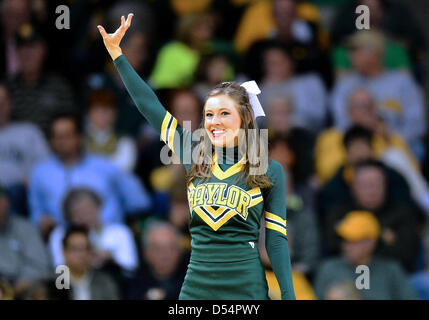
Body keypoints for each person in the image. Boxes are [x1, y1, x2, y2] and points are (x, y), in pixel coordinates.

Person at [97, 13, 295, 300]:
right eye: (209, 114)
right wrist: (118, 55)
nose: (214, 121)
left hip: (246, 289)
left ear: (246, 118)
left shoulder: (269, 169)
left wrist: (289, 297)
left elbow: (276, 242)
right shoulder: (192, 151)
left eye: (224, 113)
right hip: (196, 289)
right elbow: (149, 105)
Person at [28, 112, 151, 240]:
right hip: (64, 243)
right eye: (57, 137)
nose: (62, 142)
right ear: (50, 141)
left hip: (108, 237)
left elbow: (139, 202)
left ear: (79, 137)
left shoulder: (105, 166)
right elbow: (36, 214)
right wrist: (42, 222)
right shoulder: (40, 173)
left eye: (67, 136)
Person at [314, 211, 419, 300]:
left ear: (371, 242)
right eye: (345, 240)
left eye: (353, 240)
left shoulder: (390, 270)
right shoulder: (329, 268)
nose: (347, 246)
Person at [49, 188, 139, 273]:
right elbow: (59, 271)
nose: (85, 216)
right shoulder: (60, 235)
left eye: (89, 210)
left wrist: (111, 260)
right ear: (69, 217)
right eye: (78, 212)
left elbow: (131, 270)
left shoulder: (119, 232)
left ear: (99, 208)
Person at [0, 186, 51, 297]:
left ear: (7, 203)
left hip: (21, 288)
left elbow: (40, 266)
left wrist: (16, 287)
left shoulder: (25, 228)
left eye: (1, 200)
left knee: (44, 289)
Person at [125, 221, 187, 300]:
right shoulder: (134, 286)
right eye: (157, 249)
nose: (165, 255)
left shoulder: (194, 283)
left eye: (171, 248)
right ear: (146, 252)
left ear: (180, 251)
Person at [62, 225, 120, 300]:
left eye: (85, 248)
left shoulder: (105, 282)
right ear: (64, 252)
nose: (81, 254)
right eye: (75, 249)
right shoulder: (53, 282)